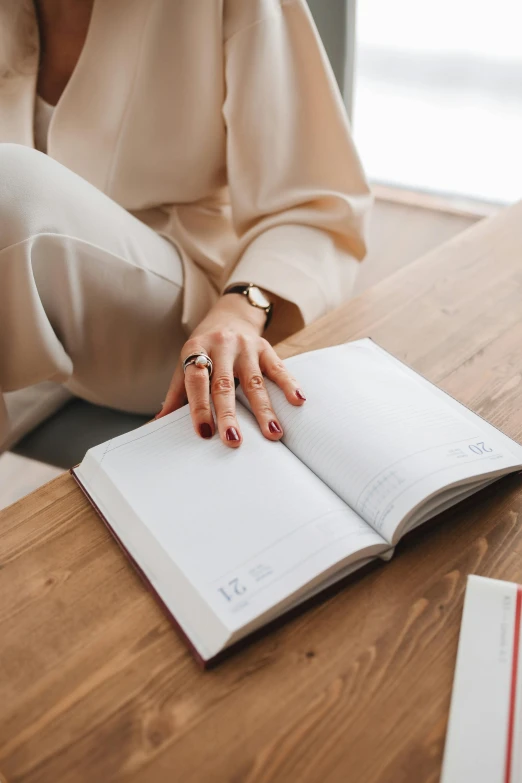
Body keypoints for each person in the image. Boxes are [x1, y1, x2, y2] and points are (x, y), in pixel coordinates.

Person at [0, 0, 371, 450]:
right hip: (21, 330)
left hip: (178, 327)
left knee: (11, 185)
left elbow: (316, 206)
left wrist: (240, 309)